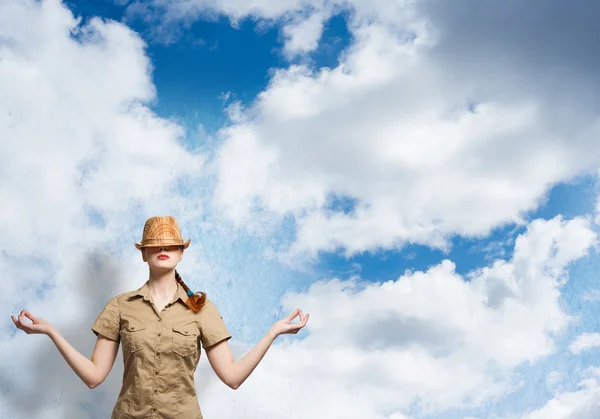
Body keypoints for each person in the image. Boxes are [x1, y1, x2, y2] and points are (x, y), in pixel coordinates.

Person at [11, 215, 310, 418]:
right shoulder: (119, 306)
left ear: (181, 253)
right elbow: (93, 377)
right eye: (155, 244)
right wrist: (52, 332)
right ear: (143, 254)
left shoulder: (201, 308)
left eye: (171, 244)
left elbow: (232, 378)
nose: (163, 247)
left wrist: (273, 332)